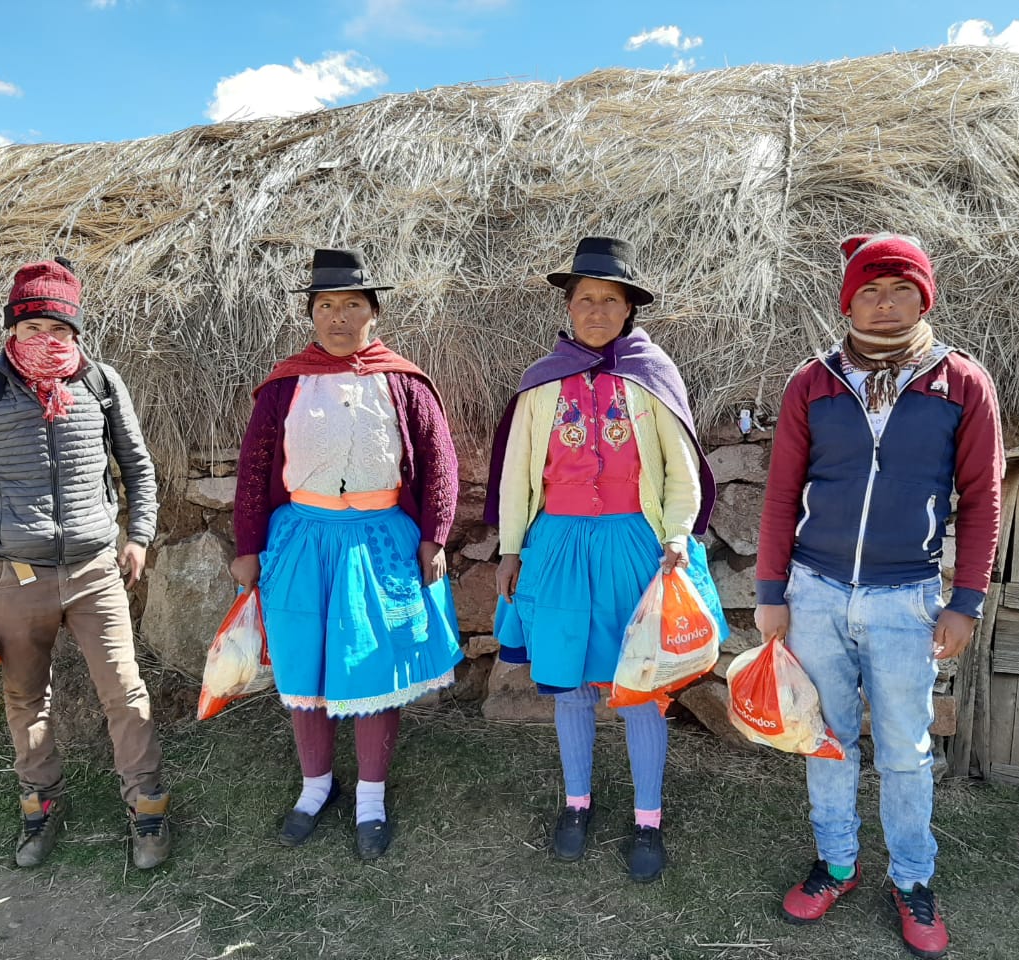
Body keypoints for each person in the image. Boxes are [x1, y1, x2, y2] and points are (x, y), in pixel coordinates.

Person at [755, 233, 1003, 958]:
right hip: (816, 593)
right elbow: (780, 493)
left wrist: (966, 602)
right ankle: (837, 863)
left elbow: (981, 499)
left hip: (906, 600)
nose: (886, 304)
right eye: (870, 289)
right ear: (848, 299)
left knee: (904, 750)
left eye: (902, 290)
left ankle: (913, 879)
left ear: (924, 298)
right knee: (828, 742)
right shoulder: (815, 381)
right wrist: (773, 592)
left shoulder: (959, 382)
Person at [485, 236, 728, 883]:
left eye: (610, 300)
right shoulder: (542, 383)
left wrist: (676, 533)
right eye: (586, 299)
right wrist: (512, 549)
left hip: (632, 548)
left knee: (639, 689)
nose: (597, 310)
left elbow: (682, 474)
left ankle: (647, 818)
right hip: (559, 546)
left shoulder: (651, 378)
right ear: (569, 307)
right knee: (570, 688)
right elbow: (516, 476)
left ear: (628, 309)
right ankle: (577, 804)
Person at [0, 257, 169, 870]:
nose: (46, 339)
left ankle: (147, 809)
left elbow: (138, 469)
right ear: (13, 330)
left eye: (58, 329)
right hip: (15, 577)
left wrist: (137, 537)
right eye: (33, 327)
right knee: (25, 697)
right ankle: (41, 809)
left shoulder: (102, 383)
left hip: (94, 571)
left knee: (124, 691)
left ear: (75, 333)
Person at [231, 248, 462, 860]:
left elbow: (440, 463)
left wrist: (434, 536)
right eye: (326, 306)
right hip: (301, 541)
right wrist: (247, 547)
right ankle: (315, 787)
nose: (338, 317)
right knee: (304, 666)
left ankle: (370, 798)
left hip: (380, 541)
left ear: (373, 314)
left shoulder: (404, 382)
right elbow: (254, 470)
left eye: (351, 305)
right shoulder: (286, 385)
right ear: (311, 315)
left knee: (372, 667)